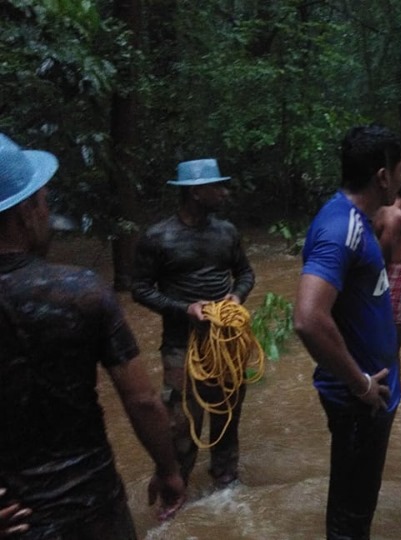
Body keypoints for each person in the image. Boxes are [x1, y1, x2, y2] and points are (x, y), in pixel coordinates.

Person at [0, 133, 184, 538]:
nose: (48, 211)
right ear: (26, 211)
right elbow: (142, 401)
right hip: (93, 512)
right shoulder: (81, 291)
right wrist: (169, 470)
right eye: (44, 199)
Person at [293, 124, 401, 539]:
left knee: (358, 506)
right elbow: (307, 317)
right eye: (400, 170)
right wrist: (359, 384)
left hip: (373, 392)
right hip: (359, 400)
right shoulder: (342, 228)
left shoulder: (359, 221)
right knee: (350, 516)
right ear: (381, 176)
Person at [132, 158, 256, 490]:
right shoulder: (158, 237)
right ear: (197, 192)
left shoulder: (226, 232)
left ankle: (226, 480)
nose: (225, 192)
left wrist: (236, 297)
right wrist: (185, 308)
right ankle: (176, 489)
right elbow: (139, 289)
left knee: (228, 414)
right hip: (181, 346)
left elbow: (245, 272)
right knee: (180, 424)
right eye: (218, 186)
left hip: (226, 341)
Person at [374, 170, 401, 353]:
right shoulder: (396, 216)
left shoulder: (384, 211)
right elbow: (384, 248)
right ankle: (390, 368)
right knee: (395, 328)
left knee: (387, 325)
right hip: (396, 276)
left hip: (396, 273)